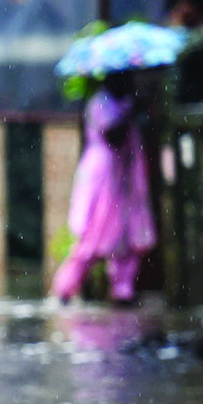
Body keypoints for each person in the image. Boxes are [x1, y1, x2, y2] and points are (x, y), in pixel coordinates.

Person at [50, 70, 157, 305]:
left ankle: (123, 291)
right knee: (91, 238)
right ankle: (65, 290)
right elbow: (113, 135)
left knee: (126, 240)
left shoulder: (126, 101)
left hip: (125, 180)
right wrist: (130, 111)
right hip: (103, 178)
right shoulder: (100, 103)